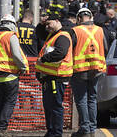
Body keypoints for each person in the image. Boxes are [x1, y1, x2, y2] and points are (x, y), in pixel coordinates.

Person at [70, 8, 108, 137]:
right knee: (92, 99)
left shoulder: (75, 30)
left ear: (79, 18)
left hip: (80, 70)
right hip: (96, 69)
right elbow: (106, 48)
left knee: (81, 100)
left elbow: (70, 50)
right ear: (90, 17)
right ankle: (92, 129)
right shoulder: (100, 30)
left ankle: (85, 129)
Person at [35, 12, 73, 137]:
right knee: (48, 106)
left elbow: (60, 53)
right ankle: (51, 131)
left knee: (55, 107)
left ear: (57, 21)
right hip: (49, 77)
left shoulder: (62, 36)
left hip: (57, 77)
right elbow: (39, 34)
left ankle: (56, 133)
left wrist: (44, 59)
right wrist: (41, 24)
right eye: (46, 25)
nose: (47, 27)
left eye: (49, 24)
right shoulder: (52, 35)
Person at [0, 14, 29, 137]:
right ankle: (2, 128)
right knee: (9, 101)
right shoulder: (11, 36)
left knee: (0, 101)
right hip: (10, 74)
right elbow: (17, 55)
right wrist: (23, 67)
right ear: (12, 25)